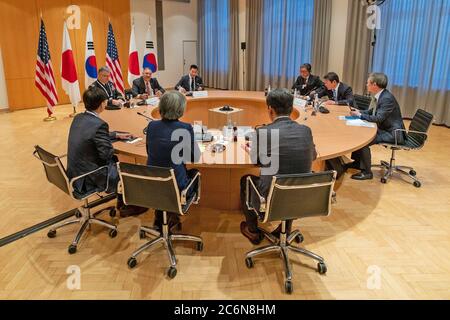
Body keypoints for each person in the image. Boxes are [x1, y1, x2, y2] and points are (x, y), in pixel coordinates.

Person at [240, 89, 317, 245]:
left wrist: (251, 149)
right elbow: (313, 156)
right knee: (292, 178)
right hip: (302, 197)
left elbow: (256, 161)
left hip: (272, 198)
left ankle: (252, 230)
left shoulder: (263, 132)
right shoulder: (305, 131)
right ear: (291, 108)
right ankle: (286, 229)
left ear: (270, 109)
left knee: (246, 180)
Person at [67, 87, 148, 217]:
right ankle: (131, 205)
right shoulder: (99, 124)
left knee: (118, 164)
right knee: (129, 168)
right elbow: (107, 154)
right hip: (91, 176)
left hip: (74, 173)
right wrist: (108, 143)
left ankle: (122, 200)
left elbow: (90, 135)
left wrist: (115, 135)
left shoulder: (79, 118)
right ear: (102, 104)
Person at [146, 91, 201, 231]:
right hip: (176, 188)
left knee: (163, 171)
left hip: (152, 185)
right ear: (180, 110)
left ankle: (160, 217)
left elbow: (149, 151)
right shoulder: (185, 128)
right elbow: (194, 157)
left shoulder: (151, 126)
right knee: (194, 172)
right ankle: (172, 216)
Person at [348, 73, 406, 180]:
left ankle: (367, 172)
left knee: (363, 140)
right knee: (359, 135)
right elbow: (372, 111)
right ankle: (357, 164)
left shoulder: (386, 98)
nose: (366, 84)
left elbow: (378, 118)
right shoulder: (381, 95)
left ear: (374, 84)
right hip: (385, 129)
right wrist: (360, 111)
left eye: (368, 82)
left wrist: (360, 116)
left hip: (393, 133)